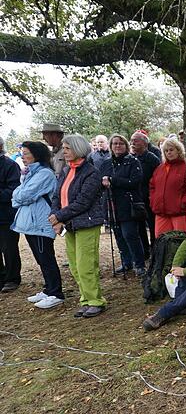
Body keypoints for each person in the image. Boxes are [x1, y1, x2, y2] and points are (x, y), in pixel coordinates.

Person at [49, 134, 105, 318]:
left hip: (86, 223)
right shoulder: (66, 170)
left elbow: (83, 202)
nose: (63, 151)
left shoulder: (91, 172)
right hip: (70, 223)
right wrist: (56, 216)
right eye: (63, 148)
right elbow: (57, 195)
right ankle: (86, 299)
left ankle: (95, 300)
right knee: (74, 265)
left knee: (86, 264)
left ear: (78, 149)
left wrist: (58, 216)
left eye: (67, 148)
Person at [11, 141, 64, 308]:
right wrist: (18, 194)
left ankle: (56, 292)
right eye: (22, 153)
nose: (23, 157)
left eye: (26, 153)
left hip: (41, 223)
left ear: (36, 154)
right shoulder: (30, 173)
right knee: (40, 259)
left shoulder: (44, 174)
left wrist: (18, 195)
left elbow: (23, 195)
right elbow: (18, 194)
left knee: (46, 258)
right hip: (31, 223)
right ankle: (48, 289)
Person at [100, 134, 146, 276]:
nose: (117, 146)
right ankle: (126, 262)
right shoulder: (106, 164)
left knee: (130, 234)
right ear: (111, 146)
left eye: (120, 143)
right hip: (111, 204)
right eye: (114, 143)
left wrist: (113, 180)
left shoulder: (133, 162)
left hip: (128, 204)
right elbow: (100, 182)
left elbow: (135, 182)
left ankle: (139, 263)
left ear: (126, 145)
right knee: (119, 235)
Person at [149, 138, 186, 236]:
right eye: (166, 151)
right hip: (161, 212)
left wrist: (183, 202)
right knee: (161, 241)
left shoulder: (185, 167)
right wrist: (153, 201)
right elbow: (152, 186)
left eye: (171, 150)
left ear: (178, 150)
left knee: (180, 240)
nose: (169, 153)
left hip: (180, 212)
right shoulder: (160, 168)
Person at [131, 131, 161, 257]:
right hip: (137, 199)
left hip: (150, 198)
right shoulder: (132, 159)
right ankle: (144, 251)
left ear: (144, 143)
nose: (132, 143)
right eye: (131, 140)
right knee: (139, 227)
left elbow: (158, 178)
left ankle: (155, 250)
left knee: (153, 225)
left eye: (135, 141)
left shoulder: (152, 158)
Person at [0, 137, 21, 293]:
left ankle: (12, 278)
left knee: (9, 248)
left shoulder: (10, 165)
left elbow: (13, 191)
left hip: (6, 215)